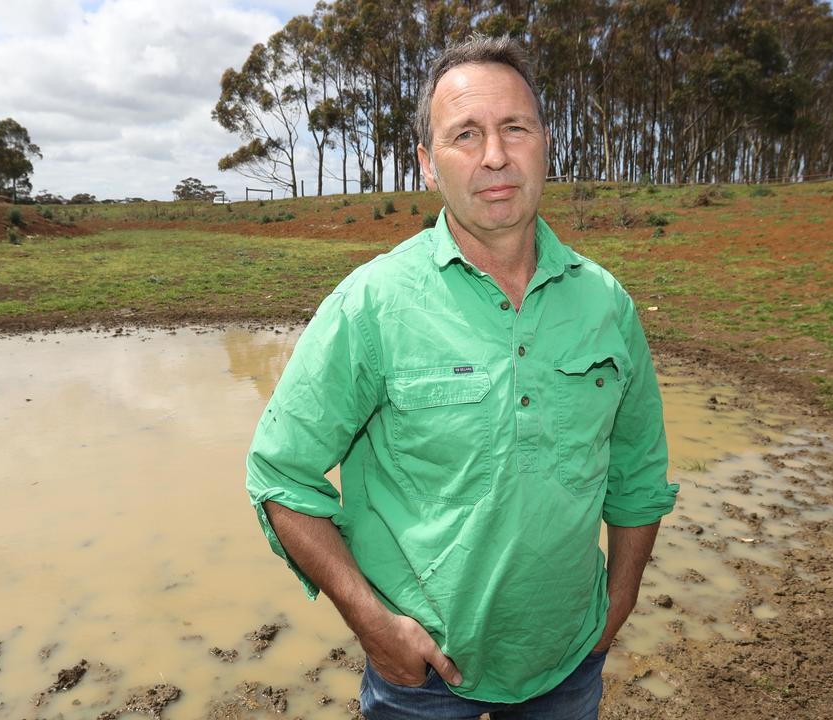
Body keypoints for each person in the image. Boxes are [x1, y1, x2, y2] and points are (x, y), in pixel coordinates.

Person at [245, 35, 678, 720]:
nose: (495, 155)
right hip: (418, 676)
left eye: (515, 128)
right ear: (426, 164)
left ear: (544, 143)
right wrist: (373, 624)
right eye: (465, 135)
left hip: (568, 662)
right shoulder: (372, 304)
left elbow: (638, 476)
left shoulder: (607, 304)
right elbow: (280, 475)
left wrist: (618, 603)